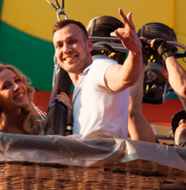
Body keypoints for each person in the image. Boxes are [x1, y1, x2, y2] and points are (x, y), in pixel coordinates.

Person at [52, 8, 142, 139]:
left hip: (101, 158)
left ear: (89, 45)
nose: (66, 49)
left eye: (72, 41)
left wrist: (135, 51)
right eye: (59, 45)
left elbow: (123, 78)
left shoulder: (99, 67)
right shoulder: (82, 84)